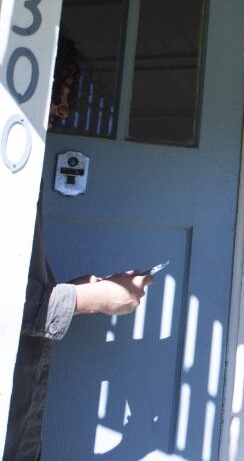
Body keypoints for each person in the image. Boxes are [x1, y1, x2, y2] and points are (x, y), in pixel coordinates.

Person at [3, 35, 154, 461]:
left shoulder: (20, 166)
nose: (64, 110)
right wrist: (93, 298)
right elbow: (9, 302)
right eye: (60, 92)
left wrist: (72, 290)